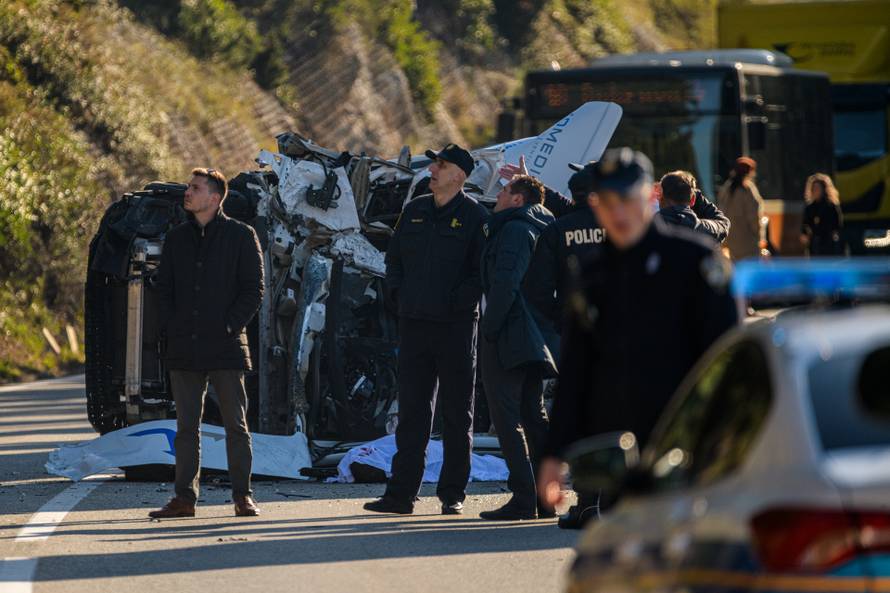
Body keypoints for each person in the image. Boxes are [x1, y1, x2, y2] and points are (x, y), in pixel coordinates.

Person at [537, 147, 738, 520]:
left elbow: (727, 363)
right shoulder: (594, 275)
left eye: (627, 200)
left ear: (650, 197)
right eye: (607, 202)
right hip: (618, 458)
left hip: (685, 453)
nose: (618, 213)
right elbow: (577, 370)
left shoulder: (695, 261)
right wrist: (553, 455)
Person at [365, 143, 488, 516]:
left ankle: (452, 493)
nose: (433, 168)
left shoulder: (475, 217)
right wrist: (398, 294)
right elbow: (394, 258)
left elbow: (479, 273)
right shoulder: (414, 210)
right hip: (415, 324)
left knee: (456, 414)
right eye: (435, 162)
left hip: (455, 328)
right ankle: (400, 495)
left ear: (459, 176)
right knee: (413, 414)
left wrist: (454, 302)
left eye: (442, 164)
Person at [150, 168, 265, 519]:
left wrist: (230, 325)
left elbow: (253, 289)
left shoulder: (241, 235)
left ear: (214, 198)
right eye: (188, 187)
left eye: (195, 188)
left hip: (227, 346)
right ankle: (184, 499)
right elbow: (163, 288)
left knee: (236, 426)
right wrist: (172, 325)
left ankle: (243, 496)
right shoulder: (177, 238)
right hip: (184, 347)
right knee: (186, 428)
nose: (187, 192)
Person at [478, 175, 556, 521]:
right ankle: (546, 498)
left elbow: (506, 281)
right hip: (535, 335)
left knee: (507, 417)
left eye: (504, 190)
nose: (497, 195)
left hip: (510, 333)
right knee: (533, 416)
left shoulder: (513, 229)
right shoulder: (544, 226)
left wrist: (489, 328)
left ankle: (524, 497)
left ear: (517, 199)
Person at [655, 170, 729, 242]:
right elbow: (723, 223)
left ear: (660, 197)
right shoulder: (702, 228)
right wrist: (697, 196)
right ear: (693, 200)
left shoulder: (646, 230)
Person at [718, 157, 764, 261]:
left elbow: (721, 213)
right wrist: (759, 237)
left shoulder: (726, 189)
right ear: (750, 172)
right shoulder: (748, 189)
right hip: (748, 242)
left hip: (730, 242)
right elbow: (753, 218)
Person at [802, 173, 844, 256]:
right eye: (814, 189)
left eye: (818, 188)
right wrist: (804, 234)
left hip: (828, 242)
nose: (815, 191)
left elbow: (837, 225)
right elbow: (805, 223)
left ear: (824, 189)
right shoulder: (809, 207)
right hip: (814, 242)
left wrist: (835, 237)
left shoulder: (831, 206)